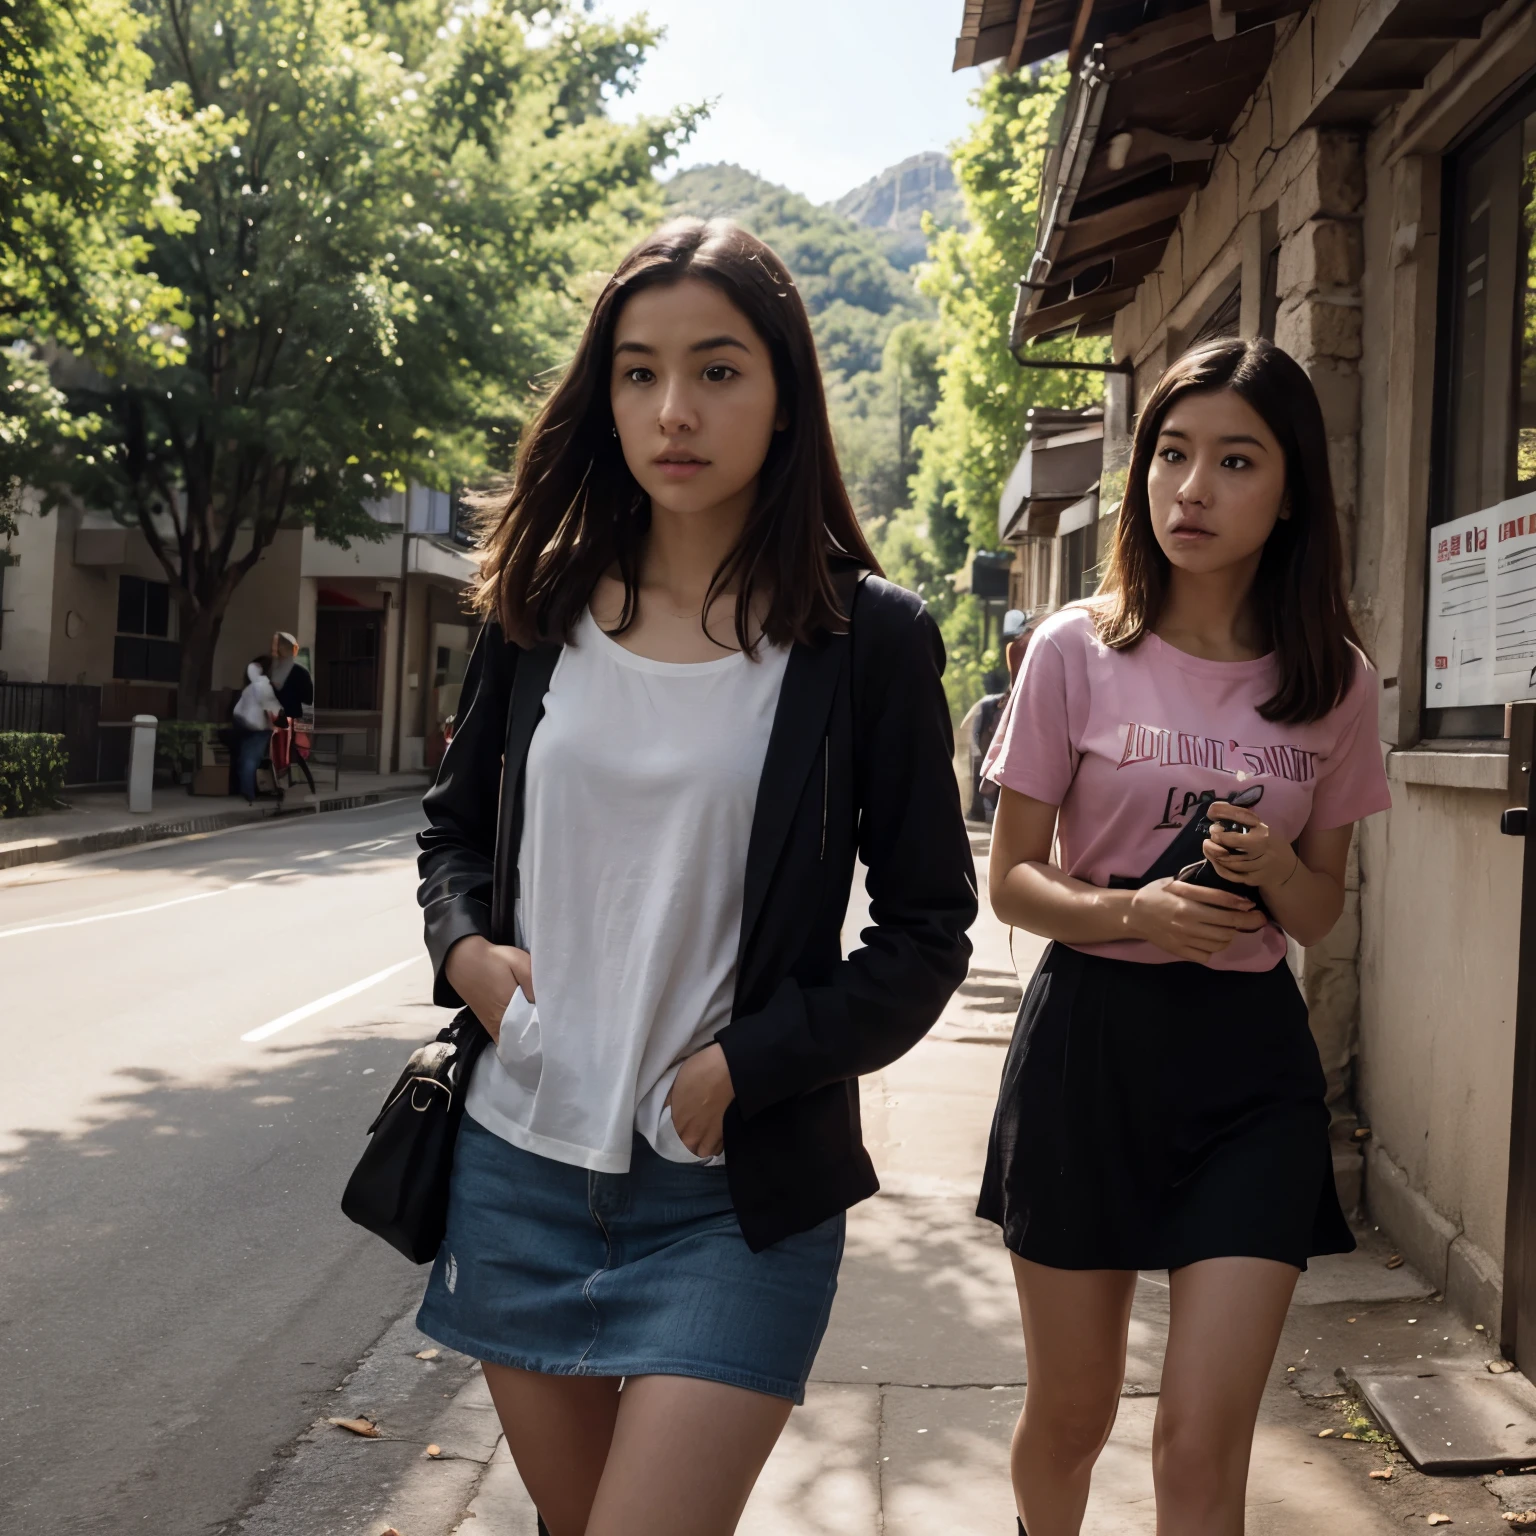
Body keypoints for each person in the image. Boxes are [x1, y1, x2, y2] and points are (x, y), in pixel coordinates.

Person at [414, 217, 976, 1536]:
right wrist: (470, 958)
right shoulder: (539, 609)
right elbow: (453, 838)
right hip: (520, 1166)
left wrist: (752, 1066)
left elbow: (929, 932)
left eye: (719, 370)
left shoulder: (864, 643)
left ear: (783, 396)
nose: (676, 409)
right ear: (602, 396)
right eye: (638, 371)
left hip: (733, 1196)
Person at [978, 337, 1391, 1536]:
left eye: (1234, 461)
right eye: (1170, 454)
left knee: (1200, 1444)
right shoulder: (1075, 650)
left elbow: (1325, 910)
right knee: (1071, 1415)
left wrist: (1272, 872)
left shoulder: (1336, 686)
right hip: (1088, 1056)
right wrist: (1132, 912)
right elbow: (1011, 882)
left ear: (1292, 491)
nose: (1190, 489)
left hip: (1249, 1072)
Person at [269, 630, 317, 794]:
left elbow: (307, 703)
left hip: (289, 722)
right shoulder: (270, 672)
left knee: (284, 757)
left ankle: (282, 785)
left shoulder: (300, 674)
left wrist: (302, 731)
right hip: (270, 721)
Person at [231, 657, 280, 804]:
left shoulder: (250, 686)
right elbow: (269, 710)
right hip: (258, 727)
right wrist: (274, 726)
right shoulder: (264, 686)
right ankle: (249, 793)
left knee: (245, 757)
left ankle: (245, 789)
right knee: (251, 759)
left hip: (242, 723)